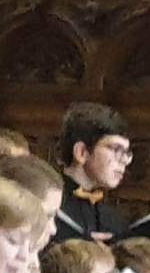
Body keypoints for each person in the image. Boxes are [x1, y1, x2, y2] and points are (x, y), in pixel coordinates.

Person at [56, 102, 132, 241]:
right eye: (116, 149)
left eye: (127, 153)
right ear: (82, 152)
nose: (125, 160)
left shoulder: (114, 220)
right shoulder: (48, 207)